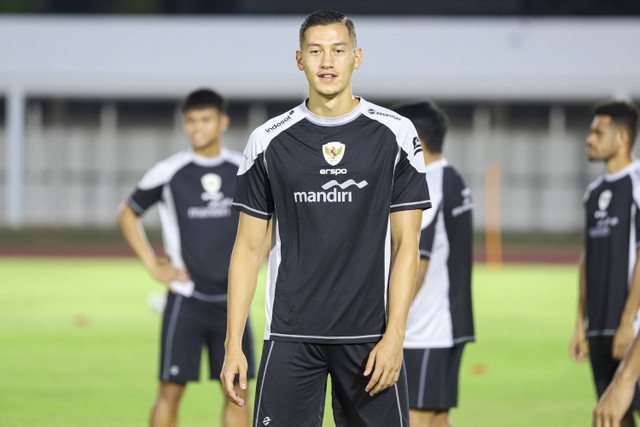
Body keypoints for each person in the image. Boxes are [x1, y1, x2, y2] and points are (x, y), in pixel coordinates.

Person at [220, 10, 431, 427]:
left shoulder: (396, 134)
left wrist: (395, 338)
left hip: (369, 337)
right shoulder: (267, 141)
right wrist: (233, 344)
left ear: (357, 57)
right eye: (315, 51)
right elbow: (246, 249)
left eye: (338, 50)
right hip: (290, 334)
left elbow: (407, 245)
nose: (327, 62)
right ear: (299, 60)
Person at [117, 88, 255, 427]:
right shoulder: (170, 171)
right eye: (191, 120)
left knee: (237, 392)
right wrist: (154, 266)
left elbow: (271, 213)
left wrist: (263, 248)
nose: (197, 127)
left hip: (233, 302)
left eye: (205, 119)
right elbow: (127, 214)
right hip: (186, 300)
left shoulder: (244, 168)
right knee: (170, 391)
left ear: (222, 122)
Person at [392, 101, 475, 427]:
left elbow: (418, 266)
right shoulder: (452, 178)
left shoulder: (428, 183)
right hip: (446, 325)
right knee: (438, 419)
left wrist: (386, 321)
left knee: (415, 419)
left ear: (414, 139)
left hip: (425, 329)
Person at [568, 100, 640, 427]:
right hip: (599, 326)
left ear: (623, 138)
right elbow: (587, 258)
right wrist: (580, 322)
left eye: (598, 132)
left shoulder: (637, 183)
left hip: (631, 328)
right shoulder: (593, 193)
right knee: (612, 416)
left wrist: (628, 321)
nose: (590, 138)